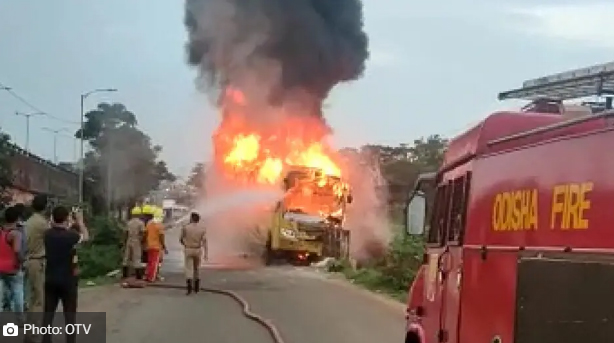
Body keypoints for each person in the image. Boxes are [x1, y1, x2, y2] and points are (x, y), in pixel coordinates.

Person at [42, 206, 89, 343]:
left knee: (48, 313)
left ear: (52, 218)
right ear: (67, 218)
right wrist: (80, 221)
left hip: (50, 278)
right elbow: (86, 237)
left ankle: (46, 339)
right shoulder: (71, 236)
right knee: (69, 314)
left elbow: (49, 225)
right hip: (68, 280)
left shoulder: (47, 234)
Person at [0, 206, 25, 322]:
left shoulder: (2, 231)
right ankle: (20, 319)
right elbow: (16, 250)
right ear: (17, 218)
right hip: (13, 267)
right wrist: (21, 261)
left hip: (1, 266)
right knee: (18, 292)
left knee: (2, 294)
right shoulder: (15, 234)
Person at [180, 212, 206, 295]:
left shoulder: (186, 227)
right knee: (196, 268)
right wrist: (206, 253)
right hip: (198, 249)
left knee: (188, 268)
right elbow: (205, 241)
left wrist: (185, 244)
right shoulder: (202, 228)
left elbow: (181, 238)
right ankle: (197, 288)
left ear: (191, 219)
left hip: (188, 249)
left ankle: (189, 288)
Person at [122, 207, 145, 281]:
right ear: (139, 214)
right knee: (137, 257)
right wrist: (142, 241)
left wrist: (124, 241)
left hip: (129, 240)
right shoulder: (140, 223)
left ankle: (125, 274)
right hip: (136, 240)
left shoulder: (129, 222)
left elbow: (126, 233)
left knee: (126, 257)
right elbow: (142, 233)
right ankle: (138, 276)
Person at [144, 208, 167, 282]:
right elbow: (161, 236)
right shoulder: (159, 225)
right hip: (156, 247)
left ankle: (148, 276)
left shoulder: (149, 223)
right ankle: (152, 277)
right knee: (155, 263)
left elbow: (145, 234)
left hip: (149, 245)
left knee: (150, 262)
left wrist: (145, 243)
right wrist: (164, 246)